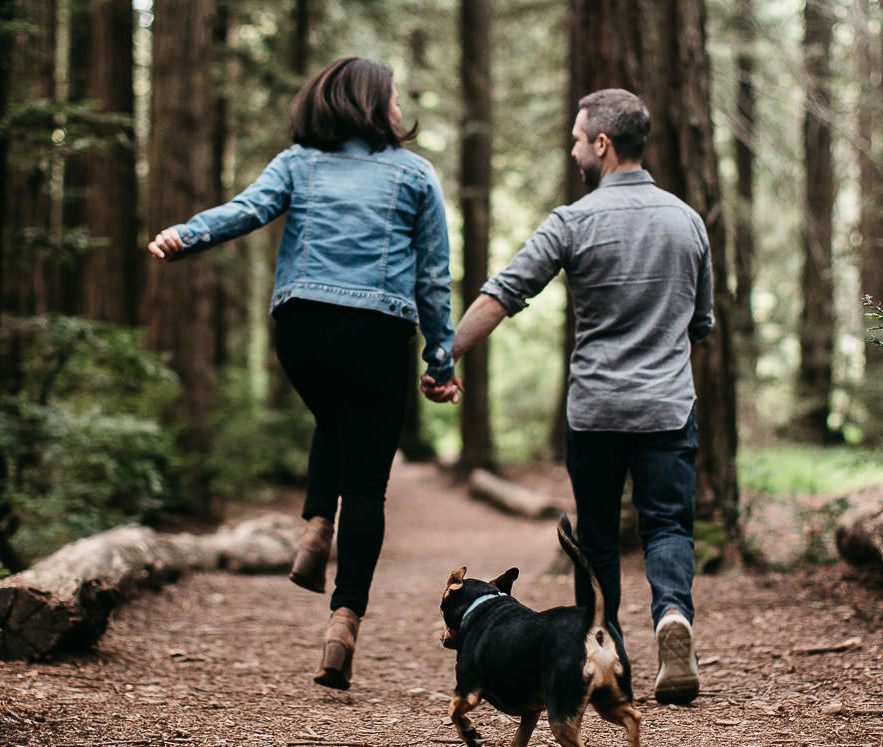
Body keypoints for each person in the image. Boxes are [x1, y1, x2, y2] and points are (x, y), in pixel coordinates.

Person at [150, 57, 456, 690]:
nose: (399, 109)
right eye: (393, 98)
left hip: (302, 330)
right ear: (372, 106)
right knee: (368, 482)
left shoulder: (297, 162)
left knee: (332, 419)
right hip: (377, 332)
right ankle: (343, 623)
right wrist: (440, 359)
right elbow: (432, 278)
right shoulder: (415, 175)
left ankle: (317, 526)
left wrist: (186, 234)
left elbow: (245, 211)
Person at [424, 88, 711, 705]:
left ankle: (607, 657)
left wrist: (445, 356)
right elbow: (701, 324)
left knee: (599, 536)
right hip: (666, 406)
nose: (573, 147)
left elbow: (504, 293)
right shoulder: (687, 221)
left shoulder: (573, 221)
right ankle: (672, 615)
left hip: (597, 411)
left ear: (603, 146)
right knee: (667, 526)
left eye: (579, 139)